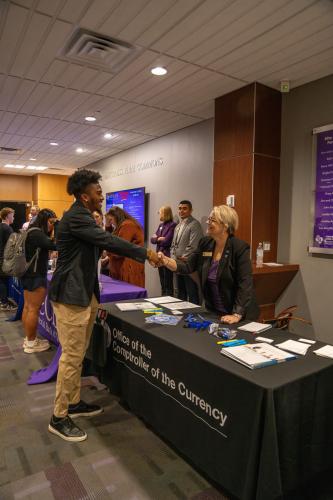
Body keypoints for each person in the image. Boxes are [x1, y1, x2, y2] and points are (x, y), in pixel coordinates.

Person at [47, 168, 159, 442]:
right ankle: (59, 417)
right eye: (98, 193)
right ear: (85, 197)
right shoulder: (77, 218)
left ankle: (73, 402)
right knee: (71, 358)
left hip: (84, 293)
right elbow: (109, 241)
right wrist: (146, 253)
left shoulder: (82, 216)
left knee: (79, 352)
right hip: (71, 296)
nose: (102, 197)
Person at [160, 205, 259, 323]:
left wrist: (236, 314)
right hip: (214, 312)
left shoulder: (239, 248)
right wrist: (165, 260)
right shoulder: (205, 243)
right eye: (209, 219)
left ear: (225, 225)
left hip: (240, 315)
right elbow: (187, 266)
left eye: (212, 220)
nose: (208, 222)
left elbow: (245, 284)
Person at [21, 209, 57, 353]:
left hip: (28, 274)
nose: (52, 225)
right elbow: (56, 245)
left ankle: (29, 338)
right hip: (36, 275)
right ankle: (31, 343)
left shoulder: (31, 231)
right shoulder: (37, 234)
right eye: (51, 222)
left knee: (28, 307)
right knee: (33, 309)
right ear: (44, 220)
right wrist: (59, 227)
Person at [170, 200, 203, 304]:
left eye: (184, 208)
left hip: (189, 264)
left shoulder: (195, 224)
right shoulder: (177, 226)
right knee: (180, 293)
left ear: (191, 210)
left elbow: (194, 245)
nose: (181, 211)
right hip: (177, 264)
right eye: (180, 208)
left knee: (192, 292)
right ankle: (182, 315)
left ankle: (195, 316)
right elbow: (173, 245)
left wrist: (183, 258)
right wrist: (173, 258)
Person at [107, 206, 145, 287]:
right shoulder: (122, 226)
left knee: (128, 296)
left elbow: (120, 250)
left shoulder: (127, 225)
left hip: (129, 270)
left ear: (117, 216)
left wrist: (107, 251)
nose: (111, 223)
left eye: (111, 220)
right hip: (125, 269)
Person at [151, 206, 177, 296]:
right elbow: (152, 240)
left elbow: (167, 241)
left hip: (166, 257)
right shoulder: (161, 225)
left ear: (166, 213)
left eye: (160, 212)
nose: (159, 214)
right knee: (162, 282)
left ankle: (169, 302)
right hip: (158, 256)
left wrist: (158, 239)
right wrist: (159, 238)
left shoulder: (172, 225)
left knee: (168, 283)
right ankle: (163, 301)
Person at [0, 207, 17, 311]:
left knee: (1, 280)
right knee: (3, 281)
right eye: (12, 215)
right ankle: (4, 303)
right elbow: (13, 246)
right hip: (4, 259)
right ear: (7, 216)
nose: (14, 218)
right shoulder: (7, 229)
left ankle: (4, 301)